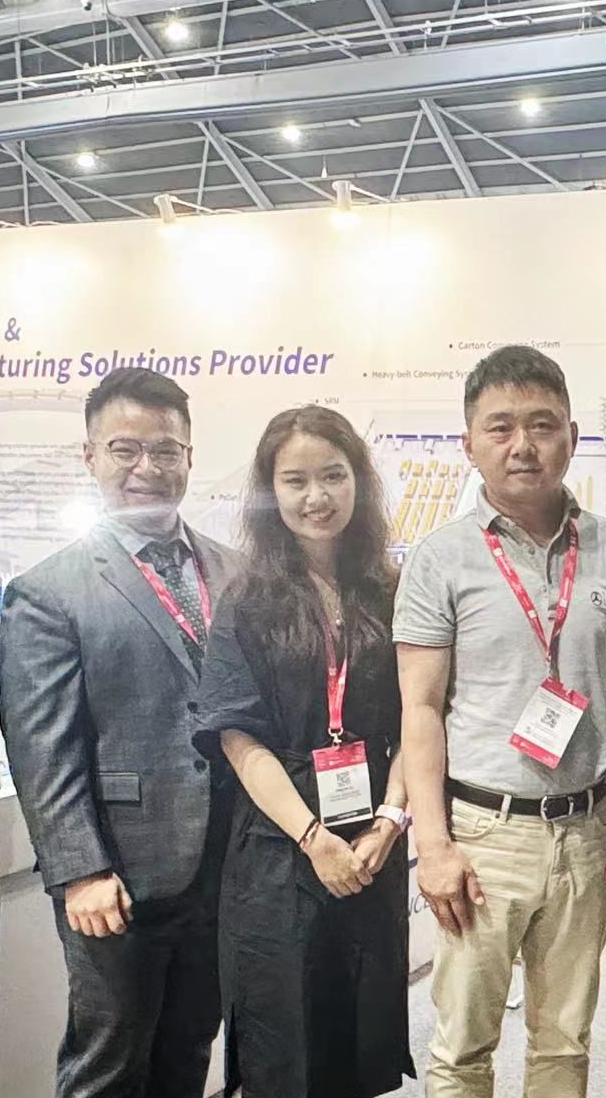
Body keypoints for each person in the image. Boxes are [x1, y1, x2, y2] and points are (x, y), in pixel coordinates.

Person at [396, 344, 606, 1098]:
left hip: (585, 830)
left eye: (542, 425)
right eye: (501, 426)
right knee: (463, 1046)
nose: (523, 445)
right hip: (484, 834)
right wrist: (433, 844)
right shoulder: (440, 559)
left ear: (570, 436)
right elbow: (421, 710)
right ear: (469, 443)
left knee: (564, 1042)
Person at [0, 367, 240, 1098]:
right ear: (90, 456)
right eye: (125, 449)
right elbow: (42, 747)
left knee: (188, 1048)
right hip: (118, 872)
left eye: (166, 450)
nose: (147, 468)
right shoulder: (49, 590)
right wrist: (80, 870)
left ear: (189, 457)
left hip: (224, 863)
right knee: (108, 1062)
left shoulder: (234, 570)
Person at [193, 405, 416, 1098]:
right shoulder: (247, 599)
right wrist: (315, 840)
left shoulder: (390, 589)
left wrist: (390, 823)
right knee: (283, 1046)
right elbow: (238, 737)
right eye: (295, 480)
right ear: (271, 491)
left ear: (359, 482)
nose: (316, 496)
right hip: (279, 848)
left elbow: (419, 719)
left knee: (359, 1034)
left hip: (374, 837)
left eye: (333, 476)